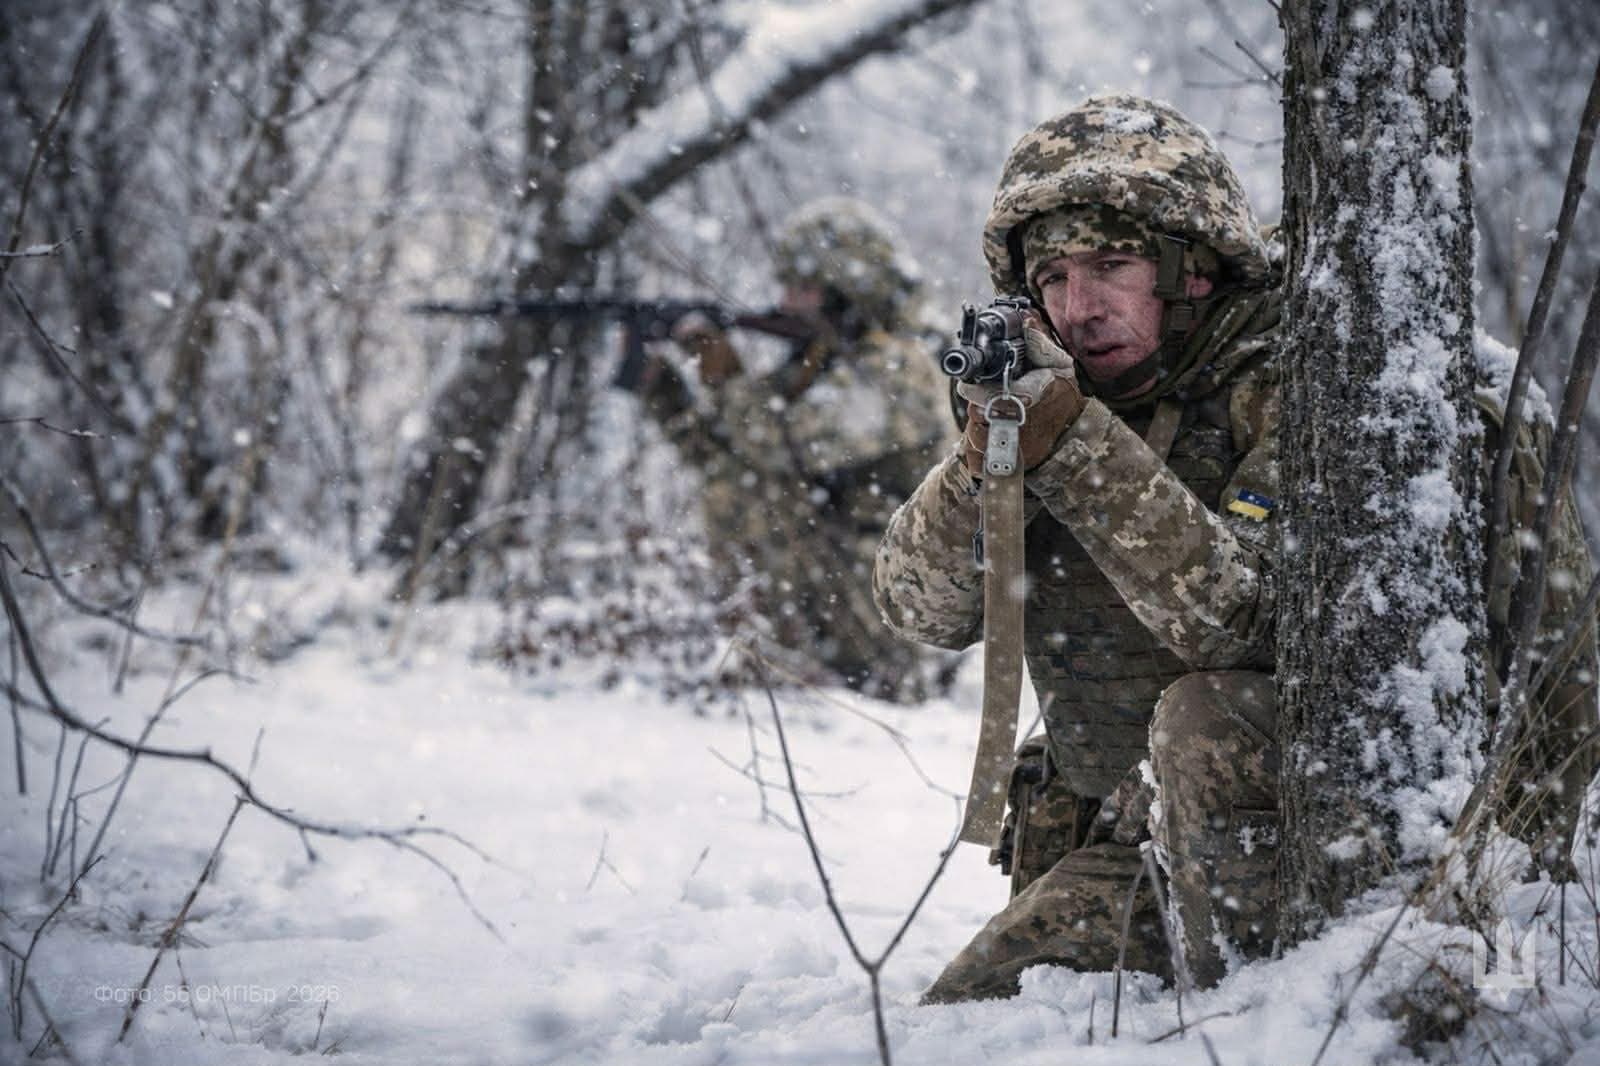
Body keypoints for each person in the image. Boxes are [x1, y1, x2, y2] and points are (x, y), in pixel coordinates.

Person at [873, 94, 1598, 1002]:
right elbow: (921, 611)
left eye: (1112, 264)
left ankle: (1262, 1021)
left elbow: (1248, 625)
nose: (1077, 305)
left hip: (1365, 834)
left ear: (1196, 272)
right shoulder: (1064, 390)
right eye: (1052, 277)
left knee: (1201, 716)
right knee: (964, 1020)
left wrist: (1077, 449)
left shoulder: (1307, 377)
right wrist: (988, 459)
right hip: (1152, 829)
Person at [645, 197, 951, 701]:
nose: (787, 302)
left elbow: (782, 446)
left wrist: (722, 373)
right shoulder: (827, 360)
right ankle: (795, 654)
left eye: (803, 288)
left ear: (847, 293)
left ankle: (874, 674)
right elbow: (728, 455)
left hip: (898, 607)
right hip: (852, 581)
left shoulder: (903, 365)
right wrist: (664, 394)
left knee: (748, 491)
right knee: (736, 483)